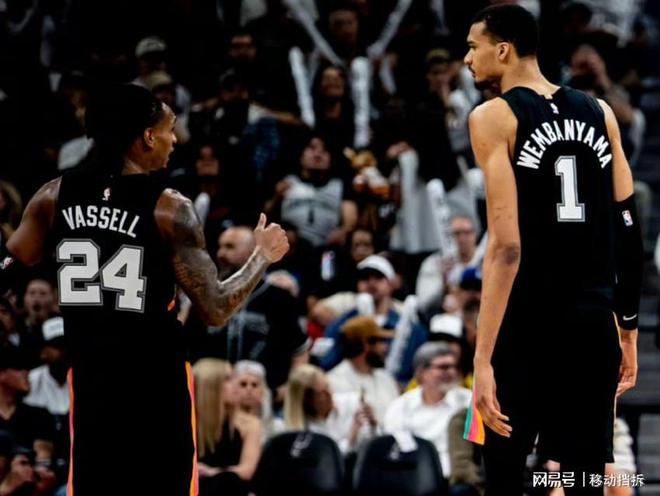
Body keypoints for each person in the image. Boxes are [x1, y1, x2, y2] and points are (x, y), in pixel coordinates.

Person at [0, 83, 289, 496]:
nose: (175, 139)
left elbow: (11, 264)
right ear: (148, 136)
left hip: (93, 387)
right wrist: (262, 256)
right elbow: (216, 309)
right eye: (170, 129)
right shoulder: (169, 208)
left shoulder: (53, 196)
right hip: (157, 389)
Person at [462, 5, 642, 495]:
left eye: (474, 47)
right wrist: (627, 329)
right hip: (592, 328)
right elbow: (628, 229)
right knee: (582, 481)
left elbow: (506, 247)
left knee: (504, 477)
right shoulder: (600, 112)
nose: (467, 59)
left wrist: (482, 358)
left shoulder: (492, 117)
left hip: (525, 326)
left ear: (502, 50)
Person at [384, 343, 471, 486]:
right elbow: (396, 447)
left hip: (458, 480)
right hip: (414, 478)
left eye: (454, 366)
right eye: (443, 367)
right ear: (421, 372)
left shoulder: (468, 401)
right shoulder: (401, 406)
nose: (451, 372)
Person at [193, 359, 261, 496]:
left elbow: (247, 470)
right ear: (210, 387)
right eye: (229, 379)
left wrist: (212, 472)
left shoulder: (248, 424)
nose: (237, 384)